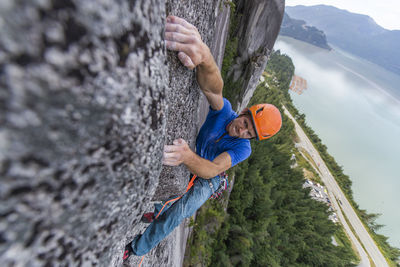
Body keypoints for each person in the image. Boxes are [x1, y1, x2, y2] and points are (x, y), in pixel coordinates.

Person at [123, 15, 282, 260]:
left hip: (209, 180)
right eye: (245, 123)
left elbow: (213, 169)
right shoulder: (224, 113)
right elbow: (212, 89)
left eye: (249, 133)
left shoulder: (243, 149)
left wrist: (186, 156)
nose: (242, 131)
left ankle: (136, 249)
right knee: (169, 193)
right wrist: (205, 57)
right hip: (196, 161)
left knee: (177, 214)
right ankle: (155, 211)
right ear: (242, 113)